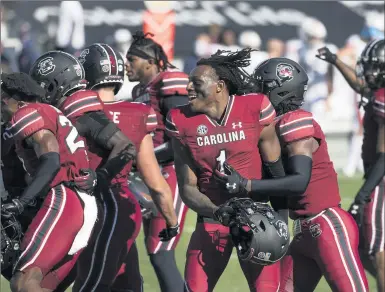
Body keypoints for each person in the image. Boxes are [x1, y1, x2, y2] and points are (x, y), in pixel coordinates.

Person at [215, 57, 369, 291]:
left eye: (262, 86)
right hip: (302, 231)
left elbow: (299, 181)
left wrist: (248, 185)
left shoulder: (294, 121)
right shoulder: (272, 126)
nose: (256, 91)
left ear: (279, 89)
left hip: (326, 224)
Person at [165, 48, 286, 292]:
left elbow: (277, 173)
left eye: (196, 82)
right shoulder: (180, 119)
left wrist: (280, 222)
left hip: (258, 220)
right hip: (212, 219)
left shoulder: (255, 107)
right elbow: (188, 187)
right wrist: (218, 211)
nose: (188, 88)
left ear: (219, 86)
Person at [73, 42, 179, 292]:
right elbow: (155, 182)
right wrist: (171, 221)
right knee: (123, 283)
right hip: (118, 204)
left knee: (93, 280)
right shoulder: (137, 113)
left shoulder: (74, 111)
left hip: (78, 206)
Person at [1, 72, 98, 292]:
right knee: (42, 286)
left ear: (20, 101)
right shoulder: (50, 111)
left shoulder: (27, 112)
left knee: (23, 283)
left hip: (64, 200)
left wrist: (21, 202)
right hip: (80, 203)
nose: (1, 107)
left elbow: (51, 160)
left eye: (2, 101)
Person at [317, 38, 385, 292]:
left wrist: (365, 193)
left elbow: (383, 155)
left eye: (374, 67)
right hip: (377, 177)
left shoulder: (382, 99)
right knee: (362, 244)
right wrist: (336, 61)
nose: (367, 72)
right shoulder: (378, 93)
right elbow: (360, 86)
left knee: (376, 247)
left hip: (380, 180)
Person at [125, 31, 189, 291]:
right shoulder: (141, 89)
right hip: (147, 175)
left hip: (168, 173)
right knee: (150, 250)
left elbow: (180, 141)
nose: (127, 64)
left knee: (160, 250)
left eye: (132, 59)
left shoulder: (170, 81)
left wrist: (139, 160)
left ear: (150, 61)